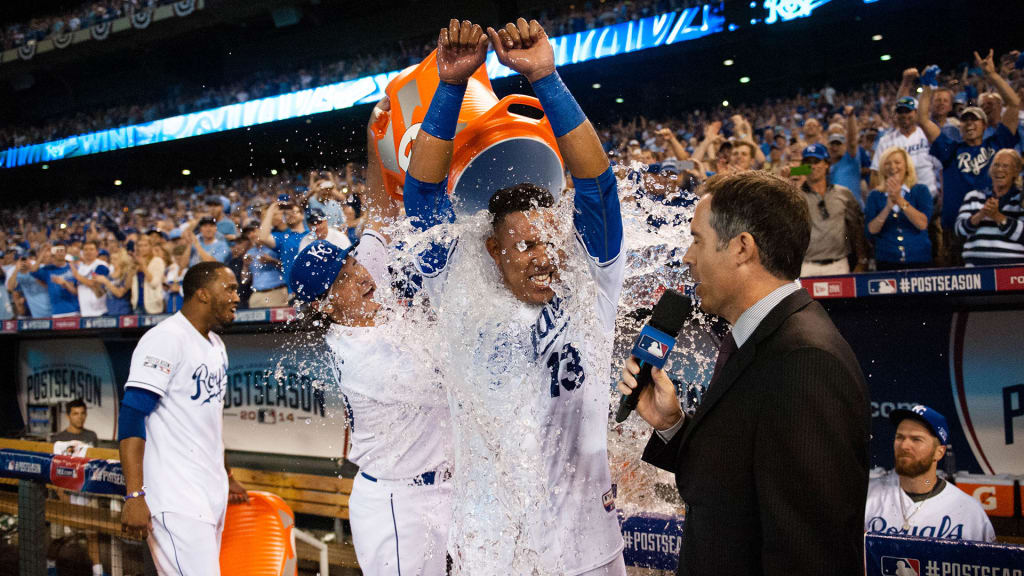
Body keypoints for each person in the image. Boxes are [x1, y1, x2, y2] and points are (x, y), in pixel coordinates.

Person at [403, 18, 626, 575]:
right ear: (493, 250)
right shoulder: (459, 289)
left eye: (550, 239)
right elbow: (423, 197)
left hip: (588, 553)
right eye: (524, 243)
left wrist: (546, 79)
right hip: (494, 554)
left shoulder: (591, 287)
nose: (543, 254)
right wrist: (451, 86)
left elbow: (599, 185)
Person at [618, 170, 869, 575]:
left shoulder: (806, 361)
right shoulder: (757, 338)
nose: (687, 257)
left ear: (741, 248)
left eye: (697, 240)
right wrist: (672, 424)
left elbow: (810, 553)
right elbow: (731, 483)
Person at [289, 97, 452, 575]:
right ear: (323, 304)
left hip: (438, 489)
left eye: (351, 262)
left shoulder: (361, 287)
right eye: (342, 279)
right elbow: (458, 380)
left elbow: (379, 211)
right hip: (397, 505)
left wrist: (374, 137)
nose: (360, 274)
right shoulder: (362, 356)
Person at [118, 261, 248, 575]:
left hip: (209, 491)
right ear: (202, 294)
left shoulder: (216, 345)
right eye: (228, 288)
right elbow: (132, 416)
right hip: (175, 495)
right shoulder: (166, 339)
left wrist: (227, 475)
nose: (237, 296)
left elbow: (207, 421)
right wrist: (134, 494)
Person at [918, 52, 1020, 265]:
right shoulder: (950, 149)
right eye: (965, 120)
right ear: (960, 126)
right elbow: (923, 120)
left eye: (975, 120)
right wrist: (927, 86)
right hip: (957, 229)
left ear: (984, 126)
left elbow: (1013, 103)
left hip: (993, 225)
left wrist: (992, 75)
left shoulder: (997, 144)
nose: (970, 124)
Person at [864, 405, 995, 542]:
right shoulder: (867, 495)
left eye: (916, 439)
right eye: (900, 437)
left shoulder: (969, 511)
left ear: (939, 452)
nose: (904, 446)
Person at [798, 143, 868, 276]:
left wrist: (862, 260)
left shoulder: (844, 193)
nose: (812, 166)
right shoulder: (795, 196)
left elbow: (856, 229)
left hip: (838, 264)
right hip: (806, 266)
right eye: (807, 162)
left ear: (826, 164)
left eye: (817, 161)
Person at [51, 398, 104, 576]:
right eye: (75, 413)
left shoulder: (91, 437)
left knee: (92, 533)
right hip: (63, 495)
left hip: (87, 493)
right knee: (57, 537)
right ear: (68, 415)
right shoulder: (58, 439)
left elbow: (96, 467)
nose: (79, 417)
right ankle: (50, 566)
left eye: (82, 413)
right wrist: (62, 496)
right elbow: (54, 472)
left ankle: (98, 571)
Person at [865, 147, 933, 270]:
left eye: (897, 162)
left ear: (906, 167)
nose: (892, 167)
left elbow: (922, 224)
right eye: (888, 163)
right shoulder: (874, 196)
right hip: (886, 260)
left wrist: (900, 200)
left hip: (919, 259)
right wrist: (887, 208)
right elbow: (871, 230)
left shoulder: (920, 191)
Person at [954, 149, 1024, 266]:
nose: (999, 170)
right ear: (990, 170)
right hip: (976, 267)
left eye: (1005, 166)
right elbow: (959, 231)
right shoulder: (974, 196)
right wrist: (981, 214)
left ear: (1016, 172)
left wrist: (998, 217)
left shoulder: (1020, 200)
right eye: (996, 165)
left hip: (1012, 269)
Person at [871, 94, 938, 199]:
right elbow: (875, 173)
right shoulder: (885, 141)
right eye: (900, 112)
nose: (904, 115)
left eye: (908, 111)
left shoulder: (927, 135)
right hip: (899, 199)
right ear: (896, 115)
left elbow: (941, 167)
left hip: (930, 194)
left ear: (916, 113)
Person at [257, 199, 308, 289]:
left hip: (314, 288)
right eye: (287, 214)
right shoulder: (283, 237)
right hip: (293, 291)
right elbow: (263, 237)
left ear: (302, 215)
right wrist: (270, 211)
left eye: (294, 212)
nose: (290, 215)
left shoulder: (312, 235)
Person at [31, 243, 80, 317]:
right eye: (57, 251)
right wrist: (43, 253)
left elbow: (77, 291)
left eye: (62, 250)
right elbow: (33, 271)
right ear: (53, 254)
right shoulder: (48, 270)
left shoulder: (73, 268)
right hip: (57, 312)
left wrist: (65, 283)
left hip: (74, 311)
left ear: (65, 253)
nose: (60, 253)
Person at [827, 107, 863, 204]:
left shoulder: (851, 159)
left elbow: (852, 140)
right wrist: (792, 171)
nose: (834, 148)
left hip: (853, 211)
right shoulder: (823, 163)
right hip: (834, 212)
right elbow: (806, 168)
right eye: (832, 144)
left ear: (844, 146)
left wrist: (850, 116)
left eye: (838, 144)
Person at [71, 240, 109, 317]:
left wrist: (77, 276)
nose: (88, 252)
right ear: (82, 252)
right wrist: (64, 283)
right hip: (84, 312)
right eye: (86, 249)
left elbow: (94, 284)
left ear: (96, 252)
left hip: (100, 312)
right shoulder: (80, 268)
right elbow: (76, 290)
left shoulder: (101, 265)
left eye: (91, 249)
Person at [129, 235, 165, 314]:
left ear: (150, 246)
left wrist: (143, 266)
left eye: (145, 245)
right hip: (137, 306)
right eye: (140, 246)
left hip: (153, 306)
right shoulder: (135, 263)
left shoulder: (157, 261)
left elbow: (154, 283)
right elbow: (129, 285)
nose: (142, 248)